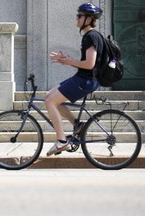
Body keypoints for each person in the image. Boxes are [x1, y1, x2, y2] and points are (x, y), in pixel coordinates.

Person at [45, 3, 104, 156]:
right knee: (49, 97)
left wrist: (70, 61)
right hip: (83, 77)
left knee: (50, 102)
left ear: (89, 19)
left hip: (86, 80)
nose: (76, 18)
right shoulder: (90, 36)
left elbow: (90, 64)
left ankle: (62, 142)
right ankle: (77, 125)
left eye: (80, 16)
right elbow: (87, 63)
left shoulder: (91, 36)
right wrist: (67, 60)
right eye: (77, 15)